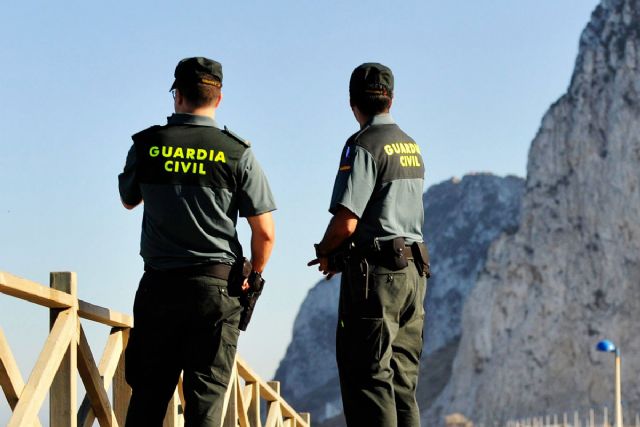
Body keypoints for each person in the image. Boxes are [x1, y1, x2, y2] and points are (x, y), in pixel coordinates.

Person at [118, 56, 276, 426]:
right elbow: (265, 232)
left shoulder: (147, 145)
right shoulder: (238, 152)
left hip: (159, 287)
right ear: (218, 99)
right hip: (217, 291)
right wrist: (253, 274)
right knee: (206, 402)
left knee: (149, 394)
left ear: (177, 96)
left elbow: (128, 199)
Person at [308, 63, 429, 427]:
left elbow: (347, 219)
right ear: (391, 98)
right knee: (402, 383)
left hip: (376, 279)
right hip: (414, 271)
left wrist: (325, 251)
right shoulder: (411, 146)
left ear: (352, 102)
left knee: (369, 379)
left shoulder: (363, 145)